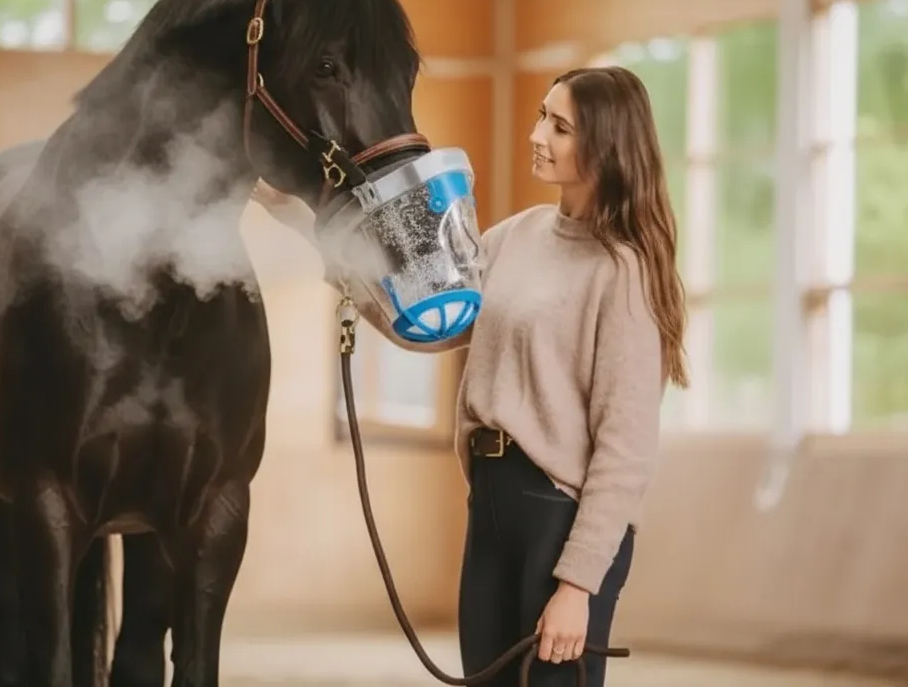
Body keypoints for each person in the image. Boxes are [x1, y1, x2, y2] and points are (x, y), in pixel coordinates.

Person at [249, 66, 689, 686]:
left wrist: (576, 586)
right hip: (491, 500)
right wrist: (308, 226)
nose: (537, 135)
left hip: (558, 517)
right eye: (541, 116)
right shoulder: (518, 236)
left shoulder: (624, 273)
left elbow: (626, 449)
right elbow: (424, 324)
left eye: (560, 127)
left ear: (606, 145)